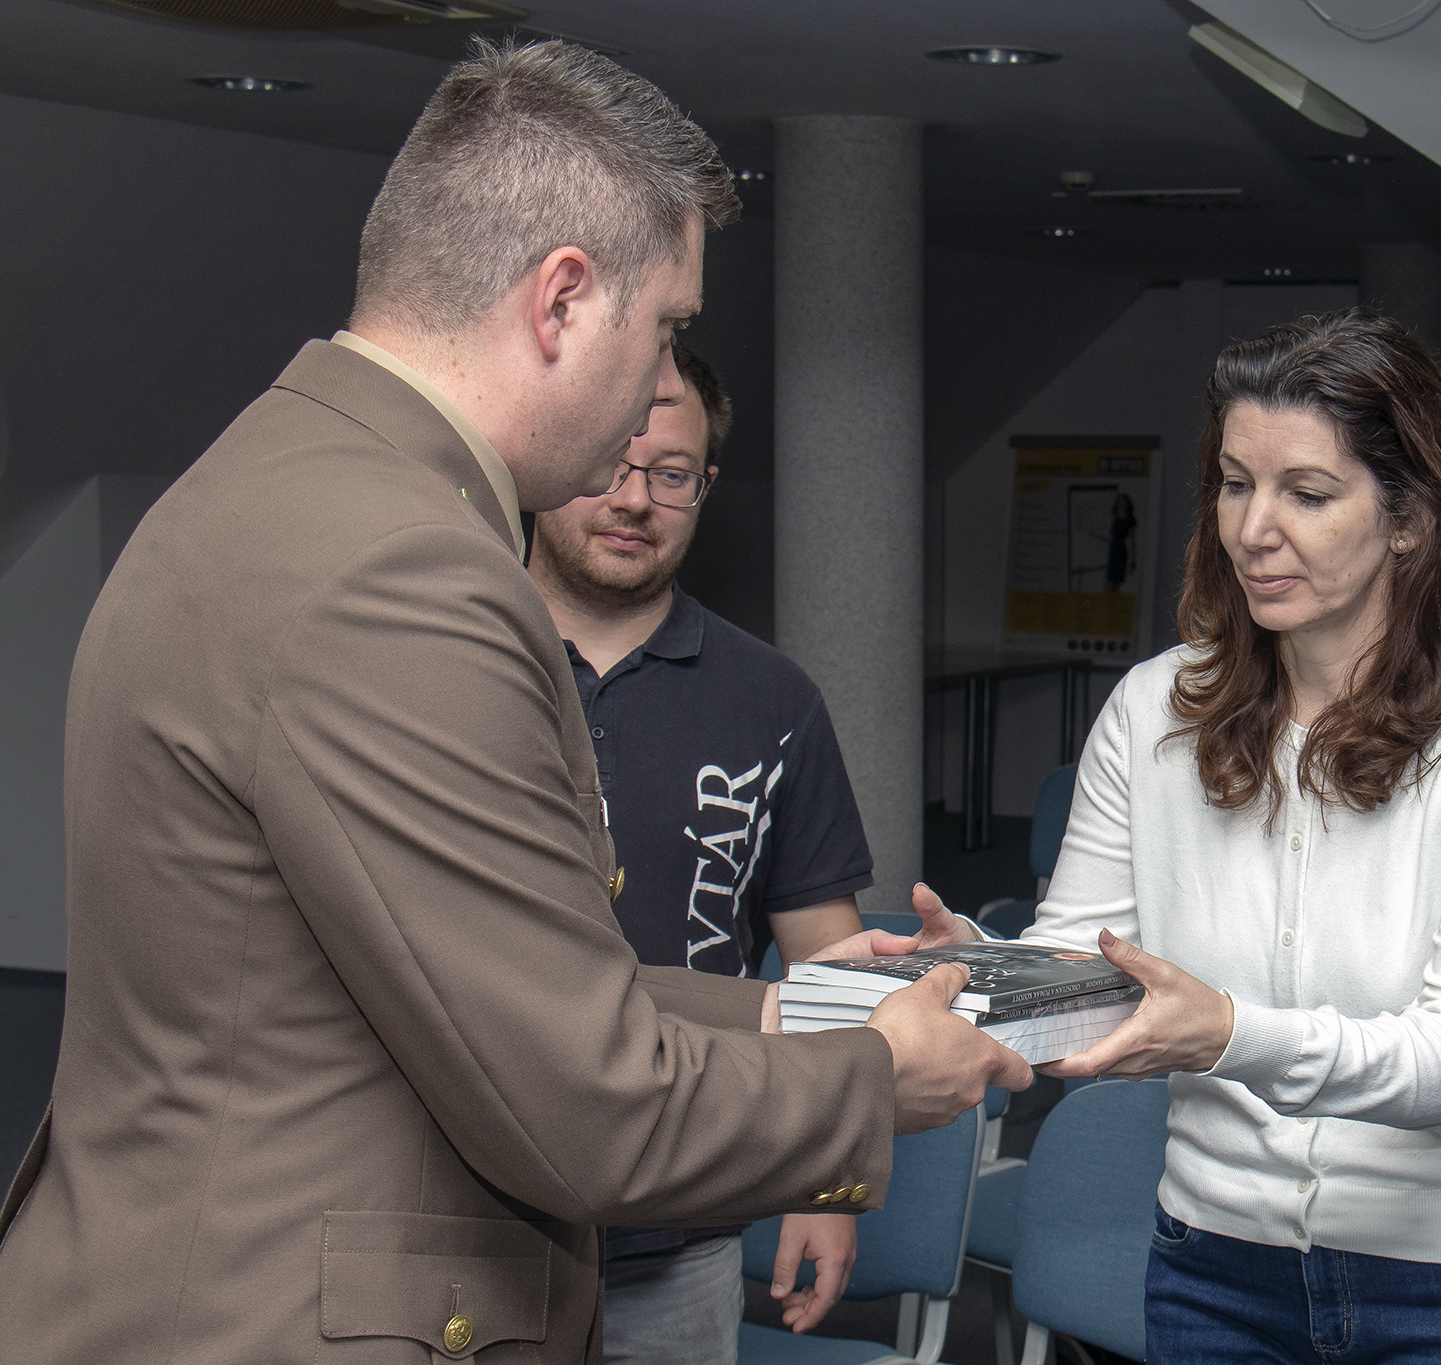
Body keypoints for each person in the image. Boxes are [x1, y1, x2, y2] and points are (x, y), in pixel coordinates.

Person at [0, 41, 1028, 1363]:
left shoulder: (278, 476)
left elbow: (484, 975)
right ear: (562, 301)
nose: (659, 382)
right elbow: (586, 1108)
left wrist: (800, 1007)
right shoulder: (401, 571)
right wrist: (874, 1079)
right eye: (666, 328)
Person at [919, 308, 1441, 1362]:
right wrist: (975, 976)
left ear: (1410, 518)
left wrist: (1227, 1034)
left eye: (1307, 493)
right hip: (1219, 1265)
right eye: (1235, 484)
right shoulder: (1154, 709)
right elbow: (1085, 963)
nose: (1252, 528)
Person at [528, 343, 869, 1362]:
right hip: (479, 1214)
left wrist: (830, 1181)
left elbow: (826, 962)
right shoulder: (456, 658)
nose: (635, 499)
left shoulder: (772, 699)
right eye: (609, 464)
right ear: (548, 455)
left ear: (705, 486)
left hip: (683, 1225)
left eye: (671, 474)